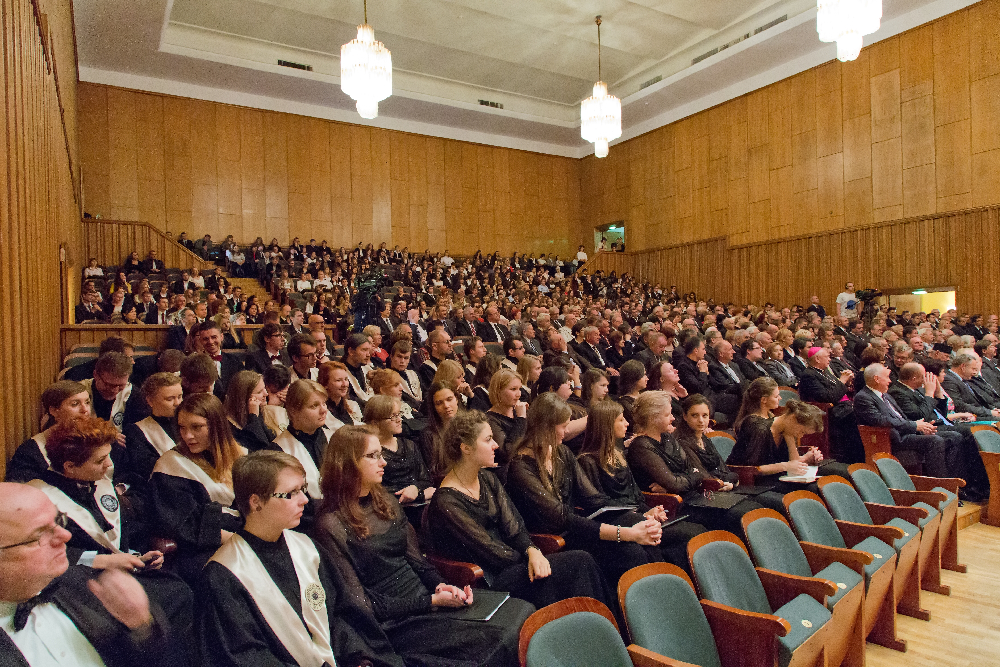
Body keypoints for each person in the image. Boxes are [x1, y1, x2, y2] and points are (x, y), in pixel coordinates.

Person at [313, 426, 534, 667]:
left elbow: (417, 560)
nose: (383, 462)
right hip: (394, 623)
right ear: (347, 463)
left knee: (522, 610)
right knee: (499, 637)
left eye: (381, 454)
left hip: (425, 600)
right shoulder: (330, 524)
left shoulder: (384, 500)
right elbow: (360, 604)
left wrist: (441, 585)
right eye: (372, 456)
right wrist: (430, 601)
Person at [198, 451, 403, 667]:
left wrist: (359, 659)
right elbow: (244, 656)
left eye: (302, 489)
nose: (305, 499)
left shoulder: (307, 549)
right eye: (291, 493)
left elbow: (340, 616)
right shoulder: (224, 576)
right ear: (256, 502)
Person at [426, 410, 612, 609]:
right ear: (466, 448)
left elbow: (514, 527)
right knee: (577, 564)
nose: (496, 445)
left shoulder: (487, 478)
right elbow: (489, 550)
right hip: (487, 579)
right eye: (488, 440)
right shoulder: (446, 501)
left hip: (514, 564)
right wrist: (530, 559)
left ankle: (604, 623)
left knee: (582, 560)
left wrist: (533, 551)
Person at [0, 483, 178, 667]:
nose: (65, 535)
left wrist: (141, 627)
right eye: (39, 535)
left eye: (58, 520)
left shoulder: (84, 583)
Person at [505, 393, 663, 587]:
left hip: (578, 528)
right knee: (632, 551)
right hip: (556, 539)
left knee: (643, 527)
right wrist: (625, 533)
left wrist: (638, 513)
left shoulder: (562, 452)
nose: (566, 432)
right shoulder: (520, 466)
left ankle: (663, 590)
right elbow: (562, 517)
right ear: (545, 426)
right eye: (563, 426)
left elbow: (594, 499)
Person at [576, 401, 706, 571]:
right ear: (606, 425)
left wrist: (651, 511)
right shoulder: (587, 461)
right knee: (682, 535)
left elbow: (636, 494)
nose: (627, 423)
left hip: (636, 517)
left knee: (696, 530)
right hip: (616, 525)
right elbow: (599, 505)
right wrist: (640, 515)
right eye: (621, 420)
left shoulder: (618, 454)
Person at [626, 391, 763, 534]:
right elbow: (676, 482)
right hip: (675, 505)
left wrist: (681, 480)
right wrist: (685, 479)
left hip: (694, 496)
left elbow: (691, 472)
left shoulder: (667, 438)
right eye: (667, 414)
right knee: (738, 515)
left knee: (752, 507)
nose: (673, 418)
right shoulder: (641, 445)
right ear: (652, 418)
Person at [149, 394, 246, 582]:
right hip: (200, 552)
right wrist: (242, 541)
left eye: (196, 427)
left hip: (240, 538)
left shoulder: (239, 455)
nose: (187, 436)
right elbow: (183, 526)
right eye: (182, 427)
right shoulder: (171, 466)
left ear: (217, 426)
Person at [729, 379, 846, 510]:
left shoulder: (784, 427)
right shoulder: (758, 428)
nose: (801, 436)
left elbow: (793, 463)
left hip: (777, 478)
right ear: (793, 419)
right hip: (757, 484)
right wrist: (787, 465)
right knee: (804, 498)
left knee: (820, 488)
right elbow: (752, 469)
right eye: (802, 431)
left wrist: (795, 444)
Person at [853, 364, 952, 479]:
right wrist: (914, 425)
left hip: (904, 433)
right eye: (887, 377)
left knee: (952, 436)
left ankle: (953, 481)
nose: (890, 381)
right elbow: (881, 420)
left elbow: (900, 418)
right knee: (934, 441)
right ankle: (940, 482)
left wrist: (921, 426)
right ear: (877, 379)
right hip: (890, 439)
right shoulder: (863, 397)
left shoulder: (886, 395)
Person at [6, 381, 96, 483]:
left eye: (87, 402)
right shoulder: (30, 453)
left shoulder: (95, 438)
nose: (85, 410)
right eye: (75, 404)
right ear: (53, 411)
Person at [363, 395, 434, 505]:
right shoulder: (370, 453)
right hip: (389, 509)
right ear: (375, 422)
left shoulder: (409, 445)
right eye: (393, 417)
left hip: (420, 504)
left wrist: (415, 488)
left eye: (399, 414)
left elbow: (426, 479)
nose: (400, 419)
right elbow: (377, 492)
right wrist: (420, 495)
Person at [273, 381, 331, 511]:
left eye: (324, 403)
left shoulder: (332, 437)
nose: (324, 410)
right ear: (293, 411)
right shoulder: (279, 452)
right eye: (314, 406)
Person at [121, 373, 182, 490]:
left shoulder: (189, 425)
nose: (177, 403)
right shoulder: (136, 432)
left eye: (180, 397)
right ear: (150, 401)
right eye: (170, 399)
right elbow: (147, 470)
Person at [484, 369, 528, 481]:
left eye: (519, 389)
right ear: (498, 391)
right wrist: (521, 419)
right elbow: (507, 453)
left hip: (525, 467)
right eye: (513, 389)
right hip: (508, 475)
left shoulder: (518, 410)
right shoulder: (490, 420)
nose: (519, 394)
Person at [420, 382, 462, 483]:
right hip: (446, 483)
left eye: (449, 399)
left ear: (456, 399)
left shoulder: (470, 426)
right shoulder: (428, 434)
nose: (446, 406)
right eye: (439, 403)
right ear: (434, 407)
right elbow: (432, 473)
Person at [224, 371, 276, 453]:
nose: (266, 394)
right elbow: (262, 448)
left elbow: (273, 442)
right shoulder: (229, 427)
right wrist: (253, 417)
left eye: (264, 388)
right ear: (244, 397)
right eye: (259, 392)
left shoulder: (256, 412)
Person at [318, 361, 362, 432]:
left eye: (346, 379)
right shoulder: (321, 413)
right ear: (325, 384)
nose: (344, 384)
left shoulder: (352, 406)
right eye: (338, 380)